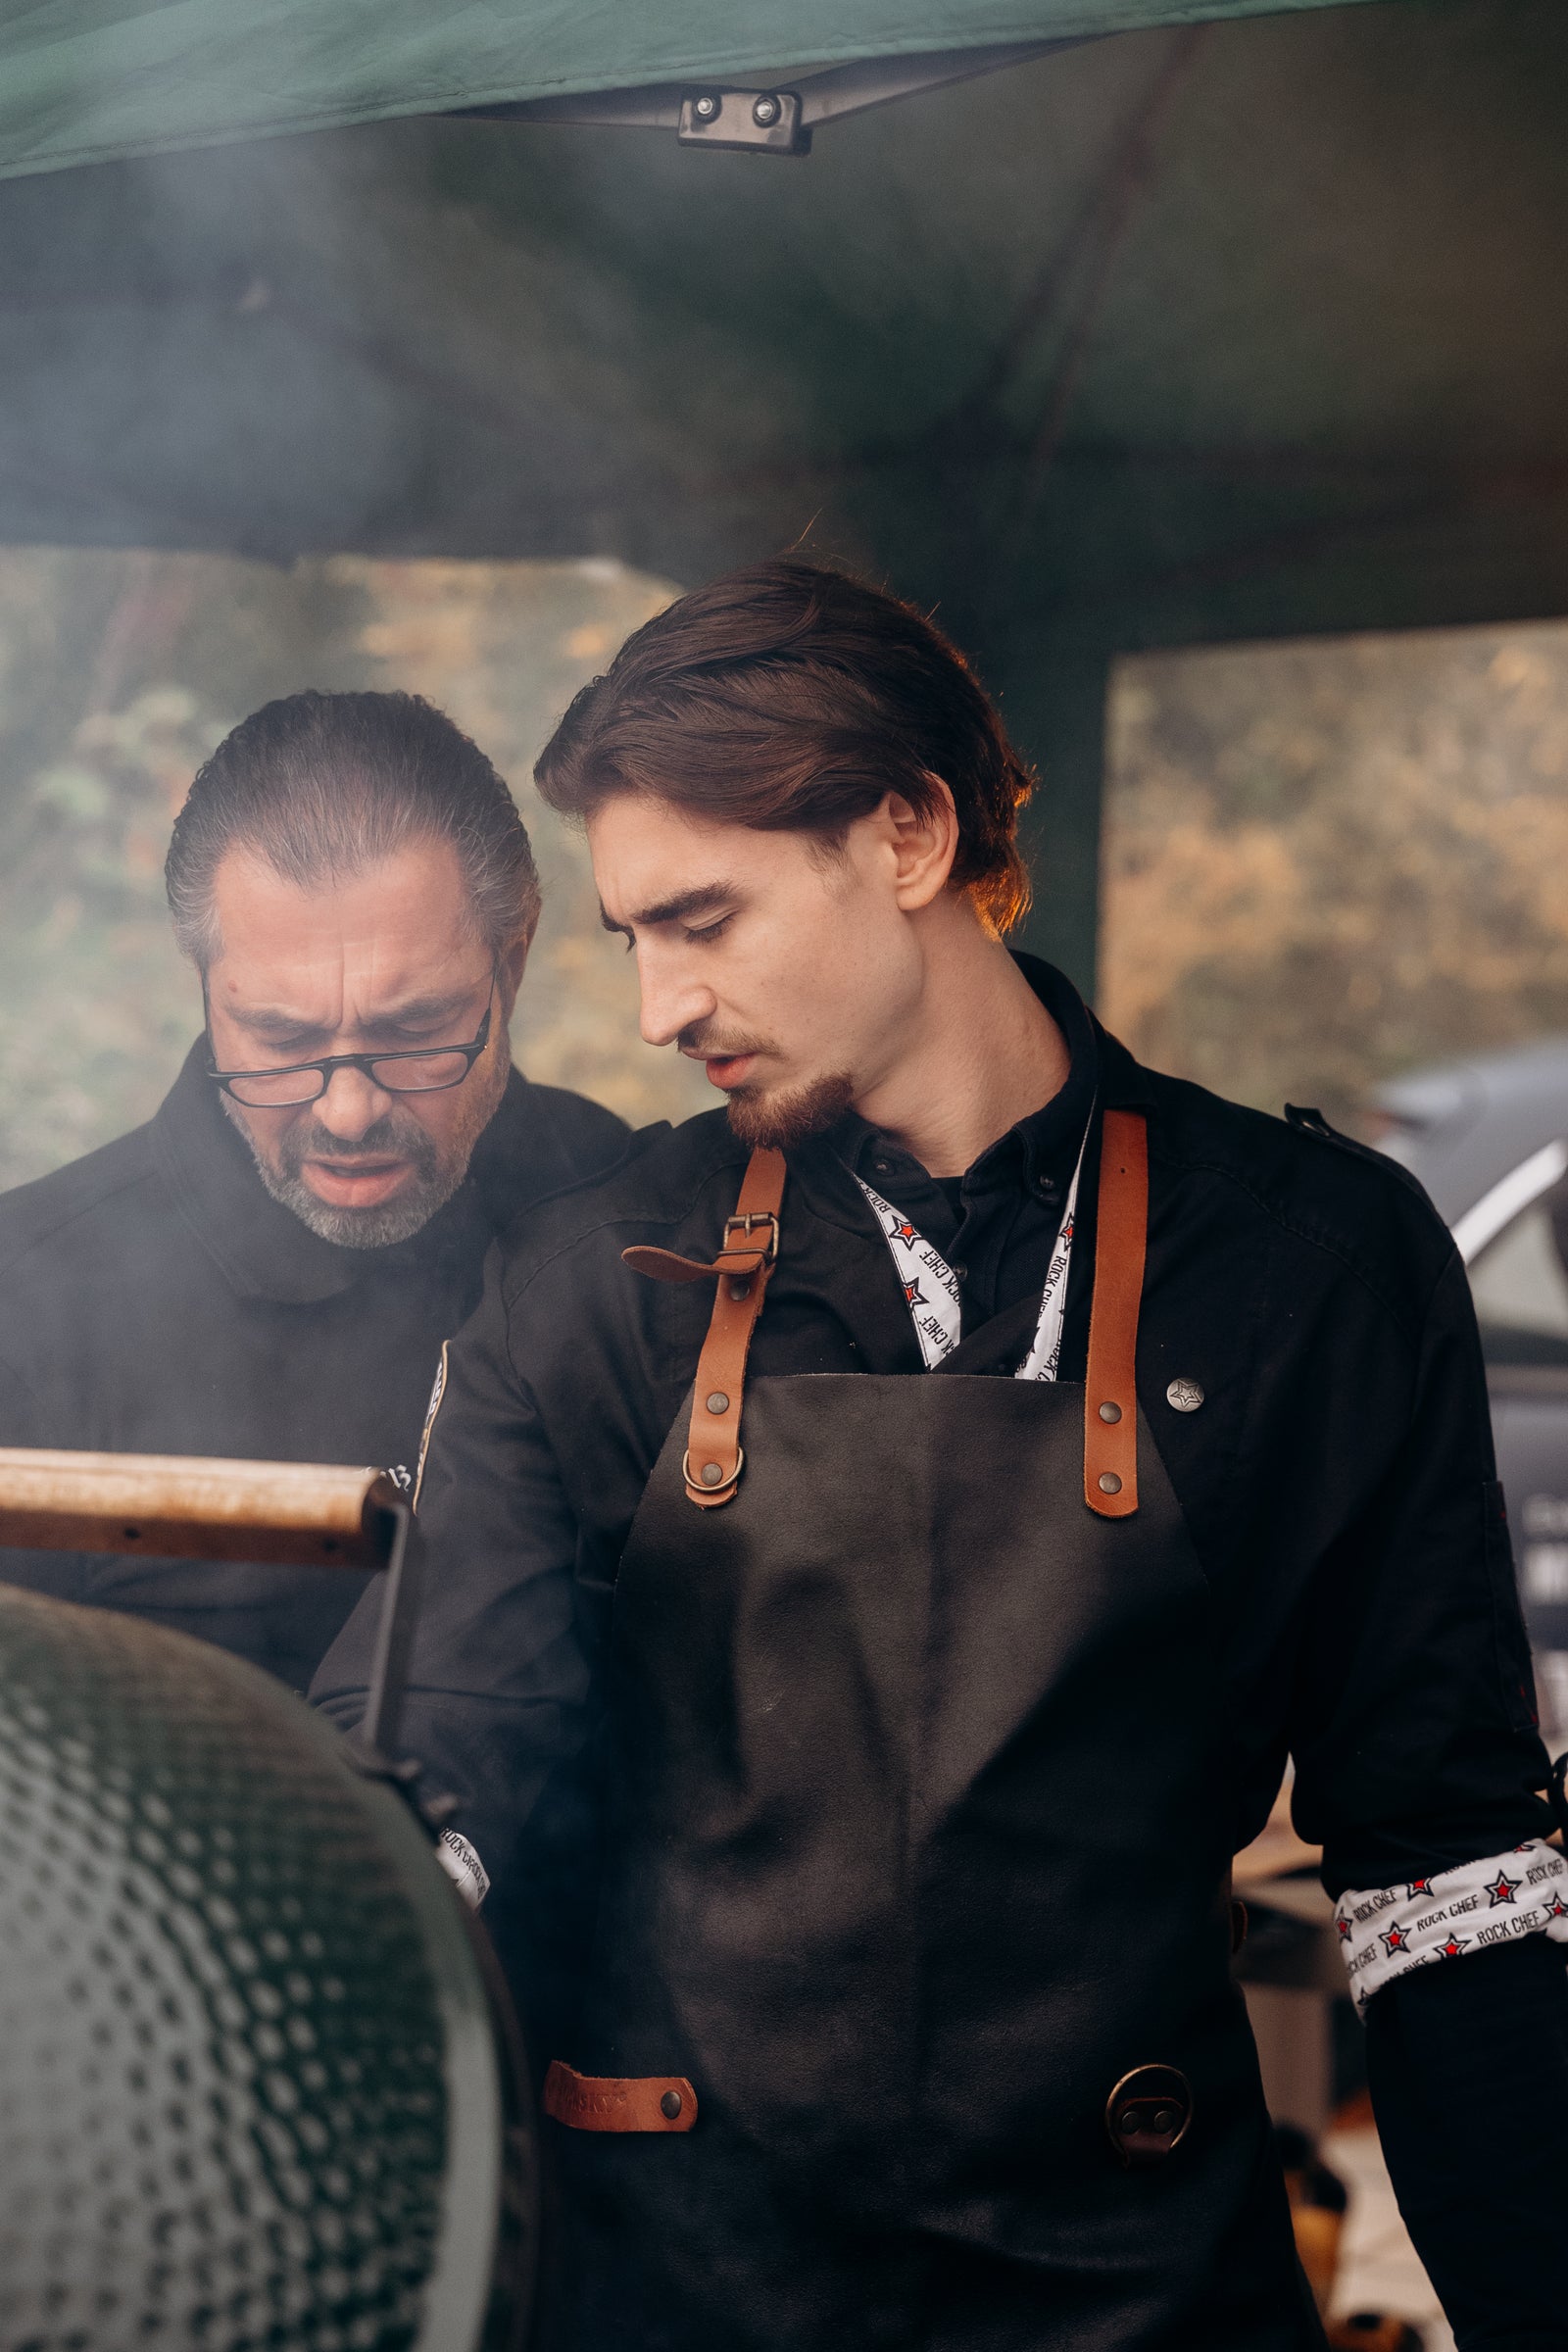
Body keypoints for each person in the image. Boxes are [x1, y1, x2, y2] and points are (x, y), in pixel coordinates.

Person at [313, 564, 1568, 2351]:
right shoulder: (590, 1283)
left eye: (703, 920)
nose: (659, 1007)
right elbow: (450, 1759)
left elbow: (1446, 1885)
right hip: (675, 2302)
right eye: (632, 939)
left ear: (908, 832)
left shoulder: (1312, 1264)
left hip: (1145, 2299)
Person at [0, 689, 626, 1691]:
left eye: (412, 1029)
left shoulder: (623, 1206)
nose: (347, 1111)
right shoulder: (22, 1310)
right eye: (283, 1039)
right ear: (206, 985)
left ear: (510, 966)